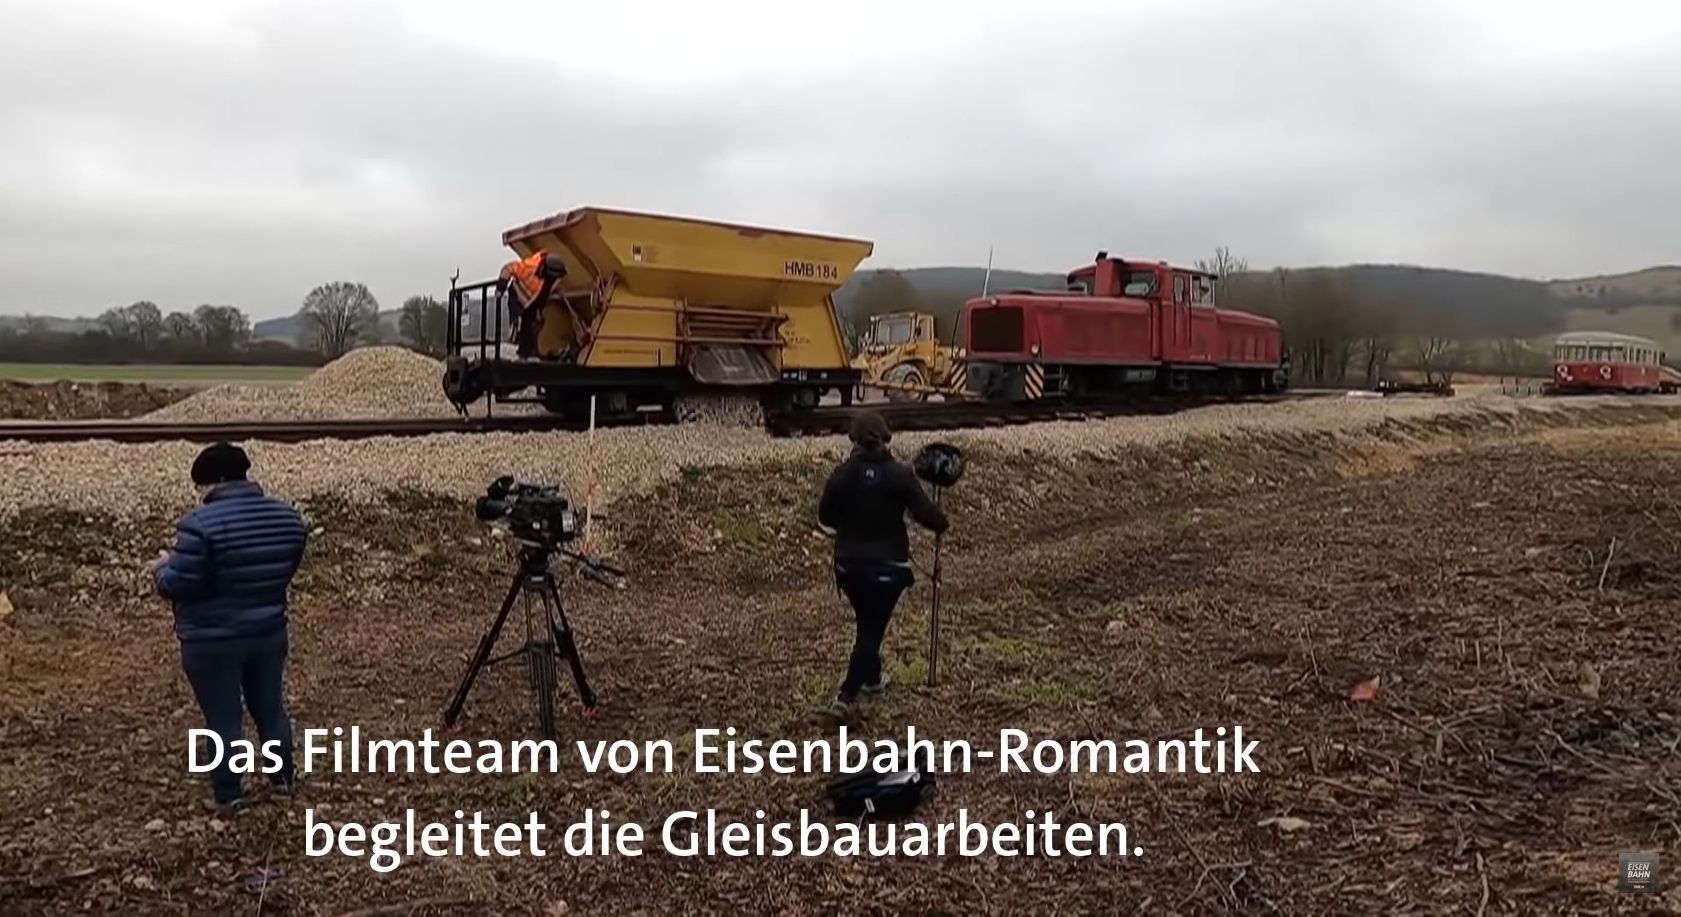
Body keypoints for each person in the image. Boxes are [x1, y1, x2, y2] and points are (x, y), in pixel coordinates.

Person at [151, 442, 309, 811]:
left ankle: (230, 794)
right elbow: (282, 568)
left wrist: (162, 568)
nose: (200, 495)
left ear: (214, 482)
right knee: (270, 709)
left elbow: (178, 583)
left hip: (212, 638)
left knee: (223, 718)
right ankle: (283, 779)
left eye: (200, 486)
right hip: (269, 630)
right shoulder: (287, 517)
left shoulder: (199, 525)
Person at [815, 411, 948, 720]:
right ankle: (846, 696)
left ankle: (872, 679)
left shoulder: (842, 474)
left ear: (854, 440)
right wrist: (942, 521)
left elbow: (825, 518)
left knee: (866, 622)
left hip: (848, 567)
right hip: (888, 568)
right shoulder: (900, 475)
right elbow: (930, 517)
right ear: (886, 438)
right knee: (872, 630)